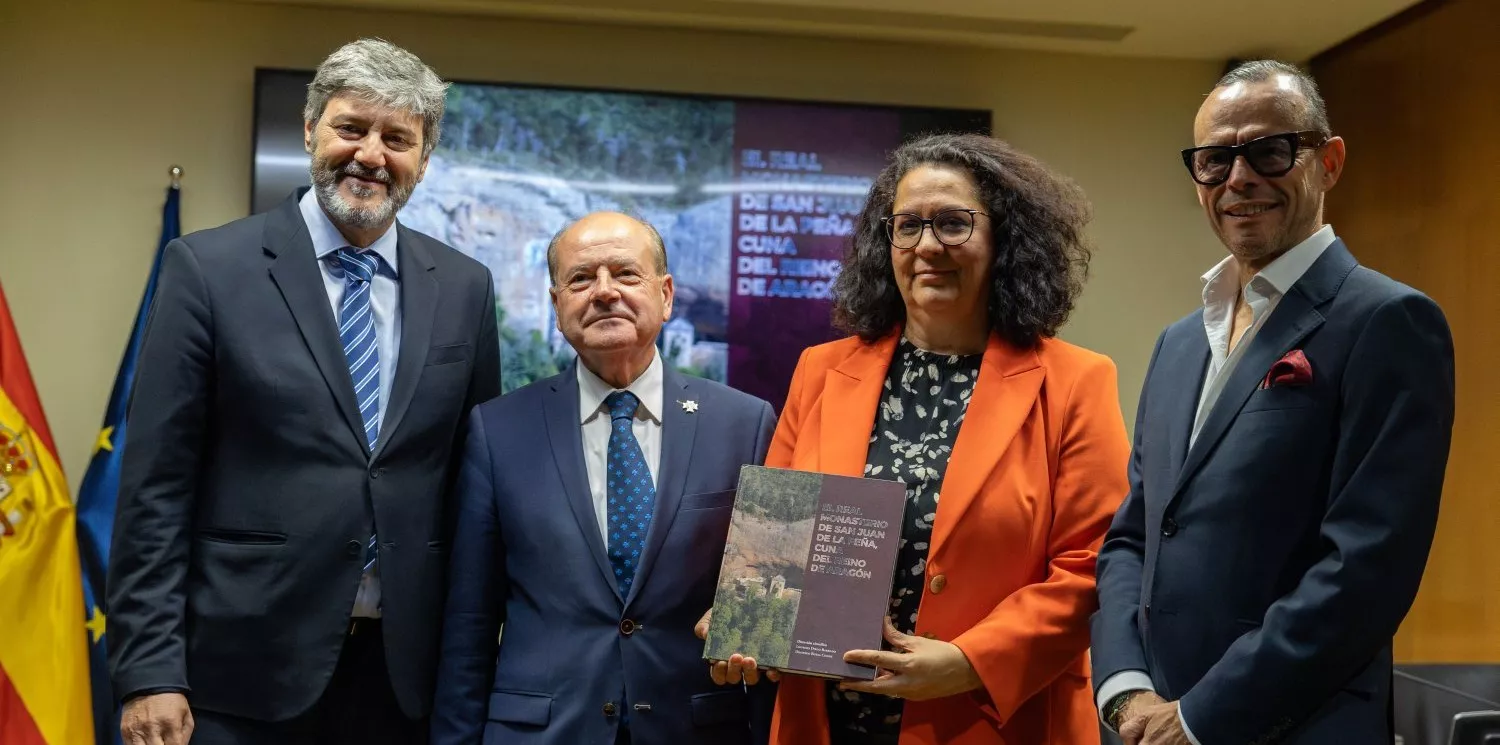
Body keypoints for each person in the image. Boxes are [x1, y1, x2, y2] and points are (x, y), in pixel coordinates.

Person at [106, 38, 502, 745]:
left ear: (424, 159)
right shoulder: (208, 268)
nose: (370, 155)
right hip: (237, 675)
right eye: (351, 128)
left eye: (397, 138)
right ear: (312, 128)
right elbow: (155, 489)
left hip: (404, 681)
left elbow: (473, 488)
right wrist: (149, 670)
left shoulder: (465, 287)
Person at [700, 132, 1131, 745]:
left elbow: (1093, 565)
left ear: (1004, 239)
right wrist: (750, 617)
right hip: (827, 720)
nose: (928, 246)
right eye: (908, 226)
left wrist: (972, 661)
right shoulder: (821, 370)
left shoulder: (1075, 382)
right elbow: (777, 544)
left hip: (991, 720)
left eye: (953, 223)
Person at [1091, 60, 1455, 745]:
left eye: (1269, 151)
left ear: (1329, 162)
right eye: (1215, 159)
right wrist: (1124, 690)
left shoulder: (1389, 321)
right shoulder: (1178, 343)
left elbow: (1363, 571)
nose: (1239, 178)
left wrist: (1196, 718)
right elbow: (1134, 537)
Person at [430, 212, 779, 745]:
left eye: (625, 273)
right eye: (580, 279)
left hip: (695, 727)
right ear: (556, 306)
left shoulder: (745, 424)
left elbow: (768, 602)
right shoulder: (497, 430)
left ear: (666, 295)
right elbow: (469, 623)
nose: (604, 292)